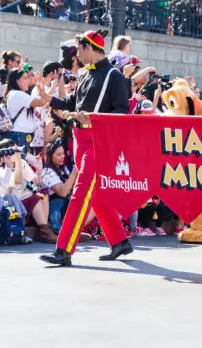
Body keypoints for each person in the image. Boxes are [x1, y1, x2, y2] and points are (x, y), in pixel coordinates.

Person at [40, 29, 133, 267]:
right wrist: (47, 97)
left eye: (79, 49)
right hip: (80, 141)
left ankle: (64, 249)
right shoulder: (84, 74)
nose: (77, 55)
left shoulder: (115, 77)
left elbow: (123, 114)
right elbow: (72, 104)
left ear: (90, 47)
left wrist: (92, 119)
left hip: (99, 143)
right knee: (98, 195)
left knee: (80, 195)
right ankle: (120, 241)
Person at [3, 68, 50, 151]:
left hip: (21, 135)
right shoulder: (17, 94)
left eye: (28, 78)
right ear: (16, 80)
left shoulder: (14, 93)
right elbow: (43, 101)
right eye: (24, 78)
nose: (28, 81)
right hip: (19, 135)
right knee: (20, 162)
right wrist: (41, 85)